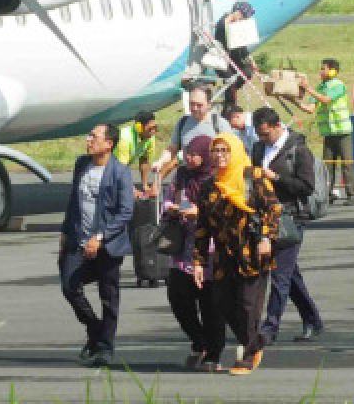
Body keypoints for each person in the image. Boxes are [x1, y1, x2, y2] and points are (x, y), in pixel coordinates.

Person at [193, 133, 280, 376]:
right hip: (224, 256)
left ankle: (250, 354)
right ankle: (256, 342)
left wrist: (266, 236)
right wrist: (199, 261)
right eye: (215, 151)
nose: (219, 156)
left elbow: (273, 208)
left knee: (247, 305)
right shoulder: (210, 186)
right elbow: (202, 227)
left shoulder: (253, 176)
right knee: (222, 303)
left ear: (235, 151)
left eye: (224, 150)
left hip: (252, 252)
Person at [58, 124, 135, 367]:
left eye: (94, 136)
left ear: (108, 144)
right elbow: (74, 200)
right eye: (89, 135)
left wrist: (100, 237)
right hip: (78, 240)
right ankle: (95, 328)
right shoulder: (82, 164)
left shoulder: (120, 172)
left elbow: (125, 212)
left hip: (107, 244)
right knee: (70, 285)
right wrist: (64, 230)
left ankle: (105, 346)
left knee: (108, 295)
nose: (88, 139)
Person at [249, 107, 325, 345]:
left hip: (290, 218)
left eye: (266, 134)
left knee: (279, 274)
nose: (262, 139)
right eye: (259, 134)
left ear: (277, 126)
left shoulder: (298, 150)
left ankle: (270, 327)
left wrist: (277, 178)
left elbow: (307, 186)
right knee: (289, 274)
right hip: (265, 216)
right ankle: (312, 318)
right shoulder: (259, 148)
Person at [161, 135, 225, 372]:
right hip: (182, 250)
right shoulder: (181, 176)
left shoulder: (217, 178)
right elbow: (167, 200)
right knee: (178, 299)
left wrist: (199, 213)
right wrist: (173, 209)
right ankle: (199, 340)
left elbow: (222, 211)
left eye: (195, 153)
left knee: (211, 307)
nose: (189, 157)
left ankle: (214, 355)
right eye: (187, 152)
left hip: (209, 251)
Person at [296, 58, 354, 206]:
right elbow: (310, 109)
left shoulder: (338, 85)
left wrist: (308, 88)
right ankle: (327, 193)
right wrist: (292, 99)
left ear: (332, 71)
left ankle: (353, 194)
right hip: (329, 132)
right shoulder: (320, 87)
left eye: (323, 68)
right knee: (327, 165)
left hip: (342, 131)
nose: (321, 71)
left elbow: (325, 100)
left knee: (347, 164)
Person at [151, 87, 231, 192]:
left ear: (209, 104)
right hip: (188, 181)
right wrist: (160, 161)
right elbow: (172, 149)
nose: (194, 108)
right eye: (191, 104)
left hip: (214, 181)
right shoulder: (183, 123)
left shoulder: (220, 124)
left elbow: (230, 153)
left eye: (199, 105)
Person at [214, 1, 259, 108]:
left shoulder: (238, 25)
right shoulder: (223, 23)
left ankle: (228, 92)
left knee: (247, 72)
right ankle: (229, 105)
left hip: (234, 59)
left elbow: (243, 46)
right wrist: (232, 20)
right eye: (245, 16)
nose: (246, 19)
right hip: (222, 60)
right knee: (230, 81)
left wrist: (252, 61)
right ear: (238, 13)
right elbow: (224, 30)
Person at [115, 111, 158, 192]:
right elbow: (122, 168)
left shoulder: (150, 137)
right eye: (150, 129)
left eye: (155, 127)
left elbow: (144, 161)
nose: (153, 131)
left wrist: (145, 186)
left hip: (119, 168)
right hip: (108, 168)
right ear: (139, 127)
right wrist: (132, 189)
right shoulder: (125, 138)